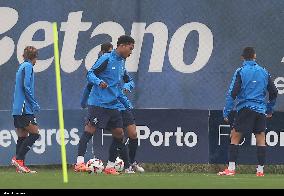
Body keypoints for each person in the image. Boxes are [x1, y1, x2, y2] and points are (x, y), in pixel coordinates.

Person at [218, 47, 278, 177]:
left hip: (245, 108)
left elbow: (232, 93)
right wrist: (269, 108)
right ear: (255, 56)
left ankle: (231, 169)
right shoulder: (264, 71)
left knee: (235, 135)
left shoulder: (240, 71)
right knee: (261, 138)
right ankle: (260, 171)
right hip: (260, 110)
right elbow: (274, 92)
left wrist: (226, 111)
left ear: (242, 58)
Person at [75, 42, 113, 172]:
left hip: (111, 105)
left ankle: (124, 164)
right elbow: (89, 85)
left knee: (119, 132)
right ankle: (79, 162)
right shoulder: (100, 65)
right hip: (97, 104)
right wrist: (83, 102)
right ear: (103, 53)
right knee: (88, 131)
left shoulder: (116, 65)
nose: (110, 55)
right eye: (108, 52)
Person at [11, 46, 41, 173]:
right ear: (34, 57)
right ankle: (18, 159)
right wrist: (34, 103)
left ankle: (20, 166)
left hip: (17, 108)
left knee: (22, 136)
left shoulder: (21, 67)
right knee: (35, 133)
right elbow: (26, 86)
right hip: (24, 108)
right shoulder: (28, 67)